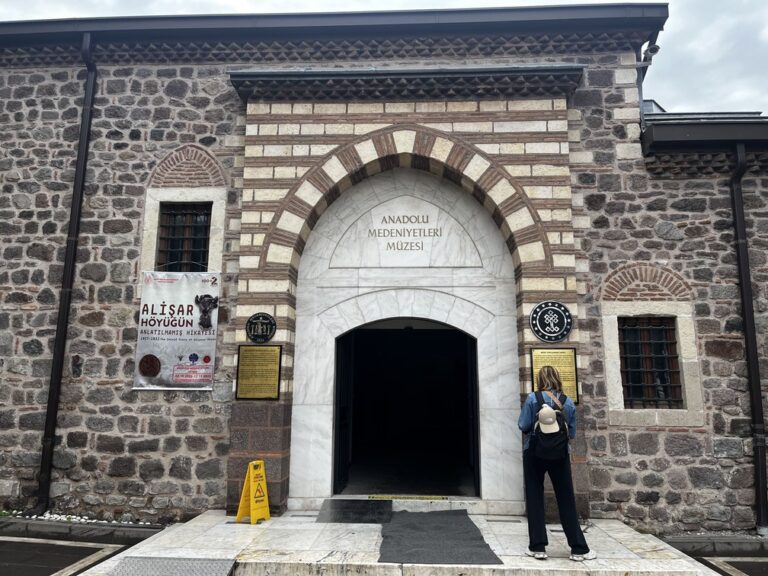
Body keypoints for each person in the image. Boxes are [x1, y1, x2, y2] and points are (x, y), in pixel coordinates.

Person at [517, 365, 596, 561]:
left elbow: (523, 425)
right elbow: (572, 432)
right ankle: (578, 548)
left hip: (534, 453)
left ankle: (538, 547)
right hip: (559, 455)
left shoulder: (533, 399)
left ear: (540, 380)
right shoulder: (567, 402)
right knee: (566, 498)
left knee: (535, 497)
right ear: (558, 379)